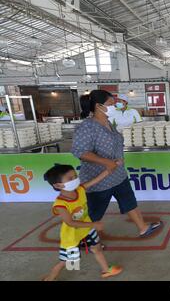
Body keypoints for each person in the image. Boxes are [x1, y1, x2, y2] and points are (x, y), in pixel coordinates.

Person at [72, 90, 161, 239]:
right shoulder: (87, 127)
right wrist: (106, 162)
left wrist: (117, 160)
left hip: (118, 175)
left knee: (129, 201)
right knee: (95, 212)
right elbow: (79, 151)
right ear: (98, 106)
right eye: (111, 104)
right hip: (100, 179)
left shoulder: (108, 123)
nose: (115, 106)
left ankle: (143, 228)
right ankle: (85, 239)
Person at [42, 164, 122, 280]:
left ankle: (106, 270)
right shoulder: (60, 204)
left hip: (87, 230)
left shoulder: (80, 189)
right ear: (57, 185)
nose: (75, 180)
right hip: (72, 235)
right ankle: (50, 278)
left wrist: (109, 169)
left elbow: (95, 180)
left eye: (75, 176)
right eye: (70, 178)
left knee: (97, 248)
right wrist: (93, 224)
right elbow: (70, 222)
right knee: (68, 261)